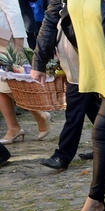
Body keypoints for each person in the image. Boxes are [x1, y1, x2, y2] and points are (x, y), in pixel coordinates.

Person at [30, 0, 105, 211]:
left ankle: (94, 203)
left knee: (103, 130)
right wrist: (39, 61)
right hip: (93, 68)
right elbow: (51, 18)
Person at [31, 0, 103, 174]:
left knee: (77, 106)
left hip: (85, 53)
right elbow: (50, 20)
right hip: (76, 53)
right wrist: (38, 62)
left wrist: (38, 62)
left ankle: (63, 155)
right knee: (90, 103)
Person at [0, 0, 50, 145]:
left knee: (16, 87)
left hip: (9, 42)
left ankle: (41, 116)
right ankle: (13, 128)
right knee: (1, 89)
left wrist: (19, 45)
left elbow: (14, 12)